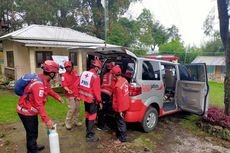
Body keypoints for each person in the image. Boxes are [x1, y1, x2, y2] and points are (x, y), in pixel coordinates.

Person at [16, 60, 64, 153]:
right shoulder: (39, 85)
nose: (56, 75)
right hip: (26, 112)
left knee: (33, 130)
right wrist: (47, 120)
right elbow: (39, 105)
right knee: (32, 133)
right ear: (52, 74)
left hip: (28, 109)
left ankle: (34, 145)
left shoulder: (42, 78)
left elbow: (48, 89)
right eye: (56, 73)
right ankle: (32, 150)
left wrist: (57, 97)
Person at [78, 59, 103, 142]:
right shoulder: (96, 77)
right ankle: (90, 135)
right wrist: (99, 102)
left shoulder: (84, 73)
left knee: (87, 115)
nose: (98, 70)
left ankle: (87, 129)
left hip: (85, 99)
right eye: (98, 68)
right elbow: (97, 92)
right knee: (92, 117)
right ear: (97, 68)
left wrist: (79, 95)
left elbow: (78, 85)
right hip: (92, 100)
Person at [111, 65, 130, 143]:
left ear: (114, 75)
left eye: (112, 74)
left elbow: (119, 100)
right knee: (120, 122)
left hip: (120, 107)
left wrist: (120, 111)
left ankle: (122, 138)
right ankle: (119, 135)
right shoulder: (125, 80)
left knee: (121, 122)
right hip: (125, 105)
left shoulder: (117, 86)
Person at [61, 61, 81, 130]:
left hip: (77, 94)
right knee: (72, 109)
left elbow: (78, 81)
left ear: (71, 67)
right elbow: (64, 85)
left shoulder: (75, 73)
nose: (68, 68)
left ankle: (76, 121)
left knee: (77, 108)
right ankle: (67, 122)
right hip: (70, 95)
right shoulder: (64, 75)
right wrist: (68, 90)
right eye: (66, 67)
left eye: (69, 67)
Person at [97, 62, 115, 131]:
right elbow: (113, 86)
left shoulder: (105, 74)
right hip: (106, 94)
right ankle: (101, 126)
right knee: (103, 111)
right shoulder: (112, 76)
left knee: (101, 109)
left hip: (102, 92)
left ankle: (100, 122)